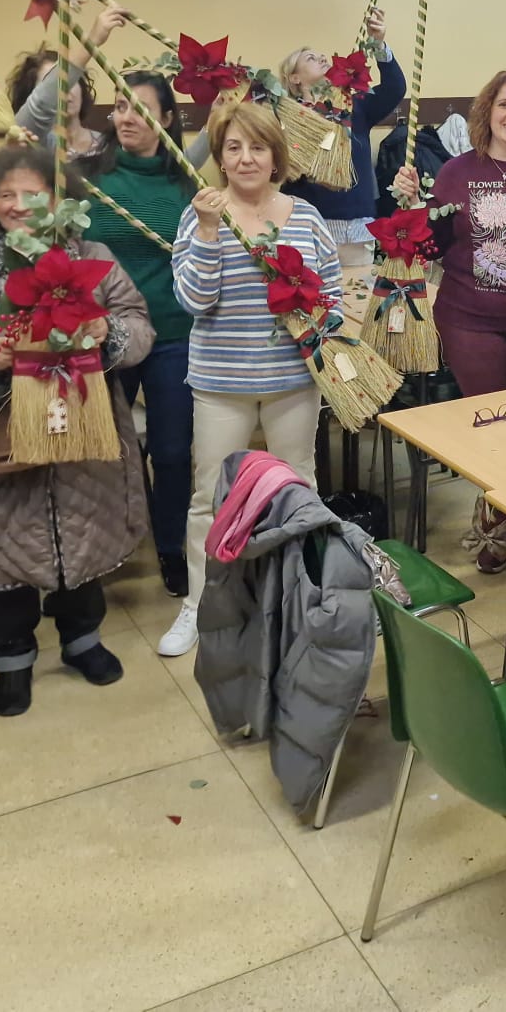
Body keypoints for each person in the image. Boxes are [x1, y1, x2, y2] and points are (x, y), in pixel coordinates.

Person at [0, 148, 152, 716]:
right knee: (5, 554)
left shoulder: (93, 257)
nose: (20, 206)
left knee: (82, 539)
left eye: (33, 193)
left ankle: (82, 641)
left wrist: (106, 332)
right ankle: (12, 660)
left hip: (83, 428)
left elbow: (140, 326)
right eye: (6, 196)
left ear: (58, 196)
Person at [159, 100, 342, 657]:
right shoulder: (199, 216)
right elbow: (194, 299)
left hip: (292, 379)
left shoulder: (305, 217)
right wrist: (211, 231)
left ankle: (301, 597)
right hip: (220, 381)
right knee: (209, 497)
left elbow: (333, 297)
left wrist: (313, 313)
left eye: (257, 147)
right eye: (233, 148)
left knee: (297, 490)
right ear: (219, 156)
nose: (245, 158)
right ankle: (199, 603)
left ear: (275, 155)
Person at [393, 70, 506, 574]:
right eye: (504, 105)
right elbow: (431, 247)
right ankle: (499, 527)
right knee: (498, 433)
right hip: (470, 321)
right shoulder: (456, 172)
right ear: (487, 112)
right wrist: (412, 207)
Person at [75, 70, 199, 598]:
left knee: (172, 451)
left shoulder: (186, 181)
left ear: (167, 120)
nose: (126, 117)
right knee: (107, 450)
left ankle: (171, 546)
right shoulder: (85, 177)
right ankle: (111, 544)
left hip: (173, 331)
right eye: (120, 106)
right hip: (108, 335)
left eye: (141, 109)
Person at [280, 9, 408, 268]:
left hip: (353, 226)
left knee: (353, 299)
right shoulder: (285, 114)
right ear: (294, 77)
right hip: (304, 225)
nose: (322, 58)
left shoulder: (354, 103)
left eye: (321, 55)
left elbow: (395, 88)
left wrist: (379, 44)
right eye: (311, 58)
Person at [9, 7, 128, 159]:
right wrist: (91, 41)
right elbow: (41, 104)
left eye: (72, 81)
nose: (65, 90)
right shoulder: (31, 141)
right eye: (51, 83)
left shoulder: (110, 144)